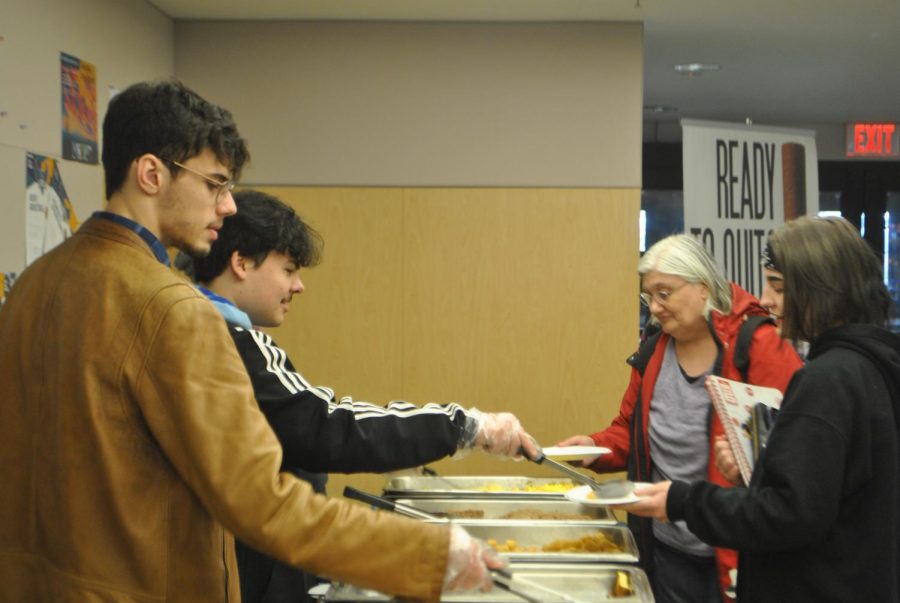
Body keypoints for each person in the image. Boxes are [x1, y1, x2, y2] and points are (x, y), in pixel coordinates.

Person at [0, 80, 521, 602]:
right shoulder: (175, 310)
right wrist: (428, 556)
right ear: (152, 173)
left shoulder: (31, 287)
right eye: (214, 184)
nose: (227, 207)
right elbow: (262, 504)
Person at [178, 188, 538, 603]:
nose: (298, 287)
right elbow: (328, 426)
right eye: (289, 269)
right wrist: (463, 426)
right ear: (240, 262)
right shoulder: (232, 340)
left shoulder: (204, 326)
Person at [625, 216, 900, 602]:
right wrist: (759, 466)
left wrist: (683, 500)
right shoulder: (872, 367)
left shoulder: (828, 380)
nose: (766, 301)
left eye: (780, 287)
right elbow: (827, 491)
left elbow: (787, 513)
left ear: (823, 288)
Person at [557, 234, 802, 603]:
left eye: (664, 293)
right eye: (648, 297)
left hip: (739, 553)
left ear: (703, 288)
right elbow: (631, 430)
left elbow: (796, 454)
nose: (654, 307)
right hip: (666, 549)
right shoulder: (654, 350)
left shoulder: (760, 346)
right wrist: (595, 446)